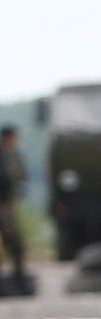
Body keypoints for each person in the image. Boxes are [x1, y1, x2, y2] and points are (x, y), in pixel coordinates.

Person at [0, 126, 30, 294]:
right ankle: (18, 279)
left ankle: (18, 277)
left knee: (13, 242)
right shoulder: (5, 155)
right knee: (13, 241)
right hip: (4, 204)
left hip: (7, 203)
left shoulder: (10, 154)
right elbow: (5, 179)